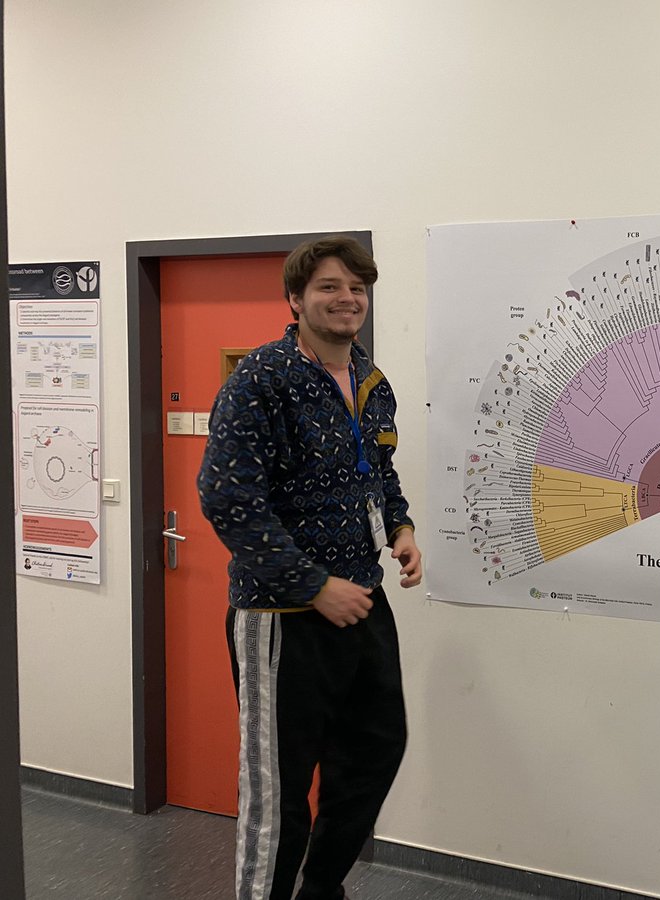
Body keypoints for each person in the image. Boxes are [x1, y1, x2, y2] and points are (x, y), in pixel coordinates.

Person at [198, 235, 421, 900]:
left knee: (376, 749)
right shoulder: (261, 380)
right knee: (278, 788)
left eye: (356, 287)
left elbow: (377, 470)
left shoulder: (371, 381)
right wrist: (314, 585)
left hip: (363, 604)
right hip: (282, 614)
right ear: (295, 300)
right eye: (329, 287)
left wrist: (401, 527)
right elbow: (228, 499)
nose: (346, 298)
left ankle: (320, 888)